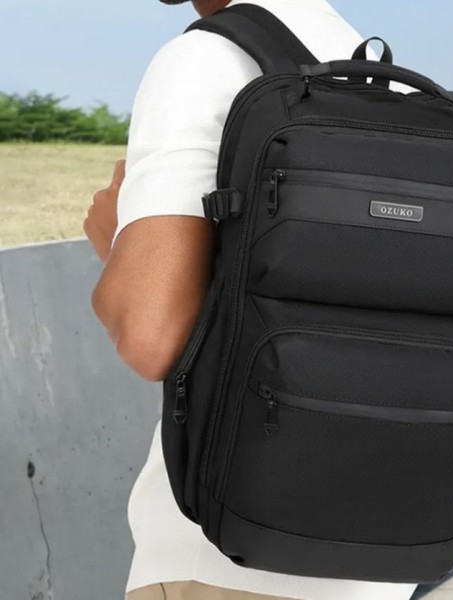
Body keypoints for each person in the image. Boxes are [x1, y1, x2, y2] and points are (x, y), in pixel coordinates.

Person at [84, 0, 419, 599]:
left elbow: (150, 334)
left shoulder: (208, 58)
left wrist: (116, 242)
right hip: (380, 556)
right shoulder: (385, 77)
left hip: (219, 562)